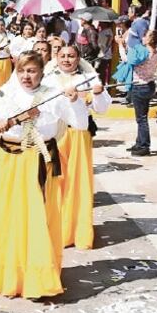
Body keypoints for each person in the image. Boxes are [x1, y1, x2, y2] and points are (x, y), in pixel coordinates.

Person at [0, 51, 87, 298]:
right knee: (8, 213)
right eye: (22, 70)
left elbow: (81, 124)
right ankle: (8, 271)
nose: (26, 76)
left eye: (32, 71)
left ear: (41, 73)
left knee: (37, 216)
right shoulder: (7, 92)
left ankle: (37, 277)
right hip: (10, 161)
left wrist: (76, 101)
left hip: (38, 161)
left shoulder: (53, 94)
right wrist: (0, 121)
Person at [44, 44, 110, 249]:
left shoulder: (88, 78)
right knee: (54, 181)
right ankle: (54, 228)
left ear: (78, 58)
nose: (66, 59)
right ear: (56, 58)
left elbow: (101, 108)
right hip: (54, 136)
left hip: (78, 136)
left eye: (71, 56)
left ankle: (75, 230)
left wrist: (97, 94)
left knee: (76, 182)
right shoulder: (48, 78)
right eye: (62, 56)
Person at [113, 23, 157, 157]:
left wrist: (120, 45)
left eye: (146, 36)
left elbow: (127, 60)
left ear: (150, 40)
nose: (143, 37)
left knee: (141, 119)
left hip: (140, 86)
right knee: (142, 117)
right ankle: (139, 142)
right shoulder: (155, 52)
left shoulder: (145, 52)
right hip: (149, 84)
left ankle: (144, 145)